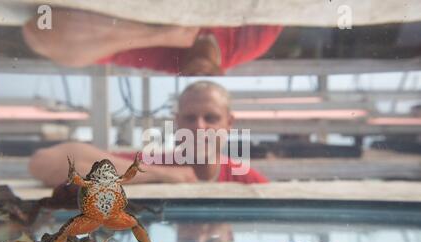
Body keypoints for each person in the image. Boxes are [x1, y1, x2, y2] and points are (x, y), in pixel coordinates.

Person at [29, 81, 269, 187]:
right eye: (189, 118)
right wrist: (162, 175)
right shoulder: (153, 164)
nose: (199, 127)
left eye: (211, 118)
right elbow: (44, 164)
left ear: (229, 123)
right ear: (176, 123)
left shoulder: (246, 179)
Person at [21, 8, 283, 75]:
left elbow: (41, 30)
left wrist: (160, 34)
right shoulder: (251, 42)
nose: (198, 77)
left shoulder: (161, 57)